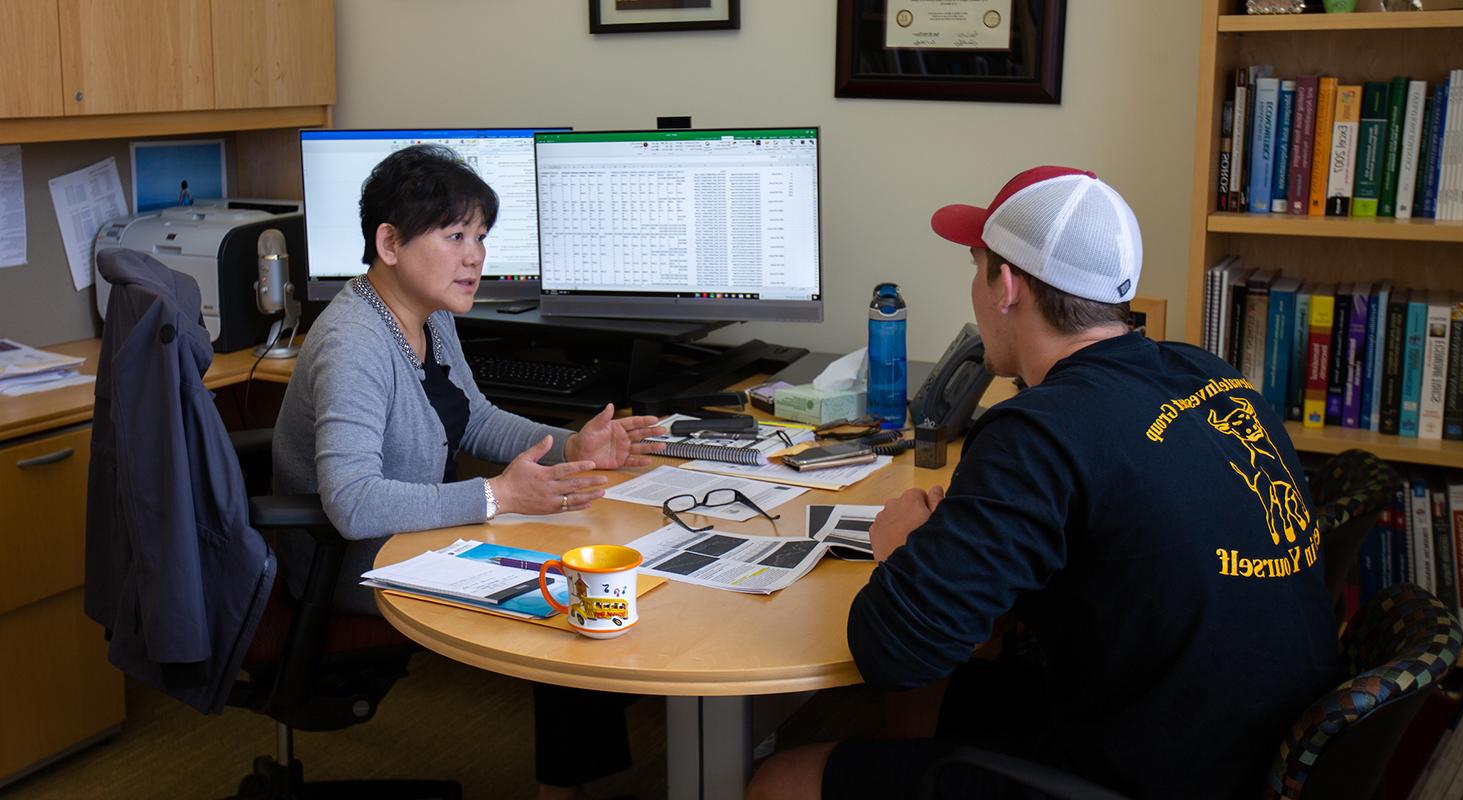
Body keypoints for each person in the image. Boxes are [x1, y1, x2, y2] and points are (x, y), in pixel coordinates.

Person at [747, 166, 1339, 799]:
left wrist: (902, 544)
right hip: (1253, 745)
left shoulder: (1038, 430)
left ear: (1005, 286)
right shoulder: (1207, 372)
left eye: (976, 267)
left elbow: (890, 652)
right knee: (938, 688)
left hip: (1150, 772)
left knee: (782, 778)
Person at [272, 144, 663, 800]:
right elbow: (352, 503)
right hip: (353, 561)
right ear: (389, 242)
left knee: (584, 560)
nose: (475, 255)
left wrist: (573, 445)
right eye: (454, 235)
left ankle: (582, 779)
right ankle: (563, 791)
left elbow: (475, 419)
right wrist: (495, 494)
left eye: (480, 235)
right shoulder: (352, 345)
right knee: (570, 589)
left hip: (416, 539)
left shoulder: (424, 314)